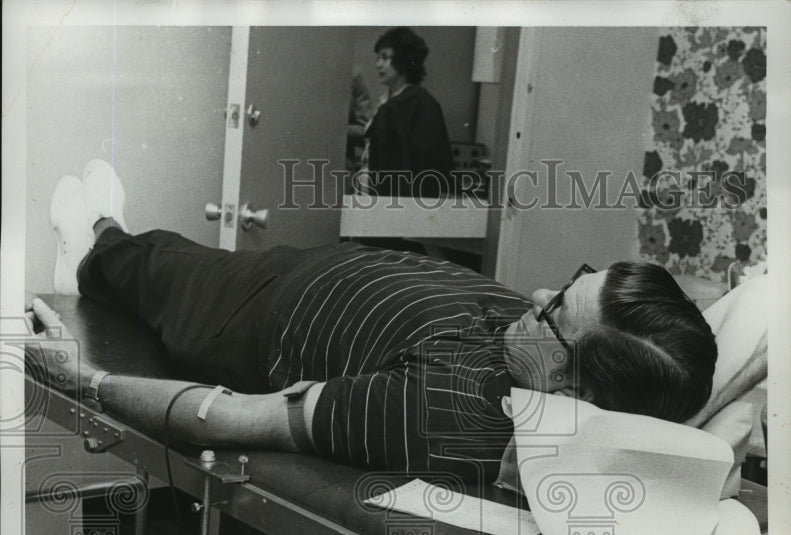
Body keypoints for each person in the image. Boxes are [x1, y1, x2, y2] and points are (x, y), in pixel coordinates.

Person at [30, 160, 763, 486]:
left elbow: (220, 419)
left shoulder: (446, 415)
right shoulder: (554, 360)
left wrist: (87, 381)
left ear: (573, 391)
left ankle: (93, 247)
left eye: (554, 310)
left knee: (161, 267)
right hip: (325, 274)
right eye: (572, 282)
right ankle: (109, 243)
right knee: (183, 256)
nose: (538, 290)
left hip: (256, 318)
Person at [363, 28, 455, 198]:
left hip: (403, 202)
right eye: (378, 58)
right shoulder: (389, 103)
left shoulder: (421, 104)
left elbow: (428, 165)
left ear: (402, 60)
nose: (378, 65)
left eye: (385, 57)